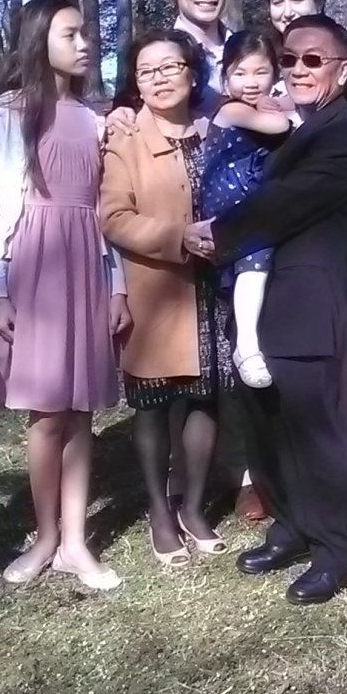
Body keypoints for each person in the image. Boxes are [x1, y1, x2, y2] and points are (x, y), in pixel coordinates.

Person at [183, 15, 347, 606]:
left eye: (312, 61)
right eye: (289, 59)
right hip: (267, 296)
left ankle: (338, 548)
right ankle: (291, 525)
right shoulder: (295, 125)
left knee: (318, 431)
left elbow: (285, 203)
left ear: (342, 69)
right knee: (267, 421)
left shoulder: (341, 134)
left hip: (313, 301)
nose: (297, 69)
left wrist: (218, 230)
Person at [0, 0, 129, 593]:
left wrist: (117, 283)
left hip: (87, 264)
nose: (86, 42)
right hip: (35, 266)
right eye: (71, 33)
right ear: (40, 39)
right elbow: (0, 209)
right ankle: (43, 536)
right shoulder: (9, 114)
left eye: (87, 33)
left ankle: (73, 541)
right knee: (47, 415)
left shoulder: (95, 119)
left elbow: (107, 210)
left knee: (81, 413)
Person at [100, 30, 241, 565]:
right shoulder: (125, 139)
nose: (159, 78)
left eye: (170, 67)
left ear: (192, 71)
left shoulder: (221, 130)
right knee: (154, 405)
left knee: (205, 397)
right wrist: (176, 237)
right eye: (146, 70)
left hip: (213, 285)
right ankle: (159, 510)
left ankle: (194, 505)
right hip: (156, 286)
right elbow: (113, 218)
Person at [197, 28, 296, 389]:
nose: (251, 83)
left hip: (249, 200)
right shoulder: (232, 109)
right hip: (228, 202)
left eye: (260, 72)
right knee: (256, 257)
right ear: (225, 77)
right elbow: (279, 124)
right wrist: (284, 107)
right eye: (240, 73)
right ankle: (247, 346)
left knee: (259, 262)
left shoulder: (254, 104)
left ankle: (251, 342)